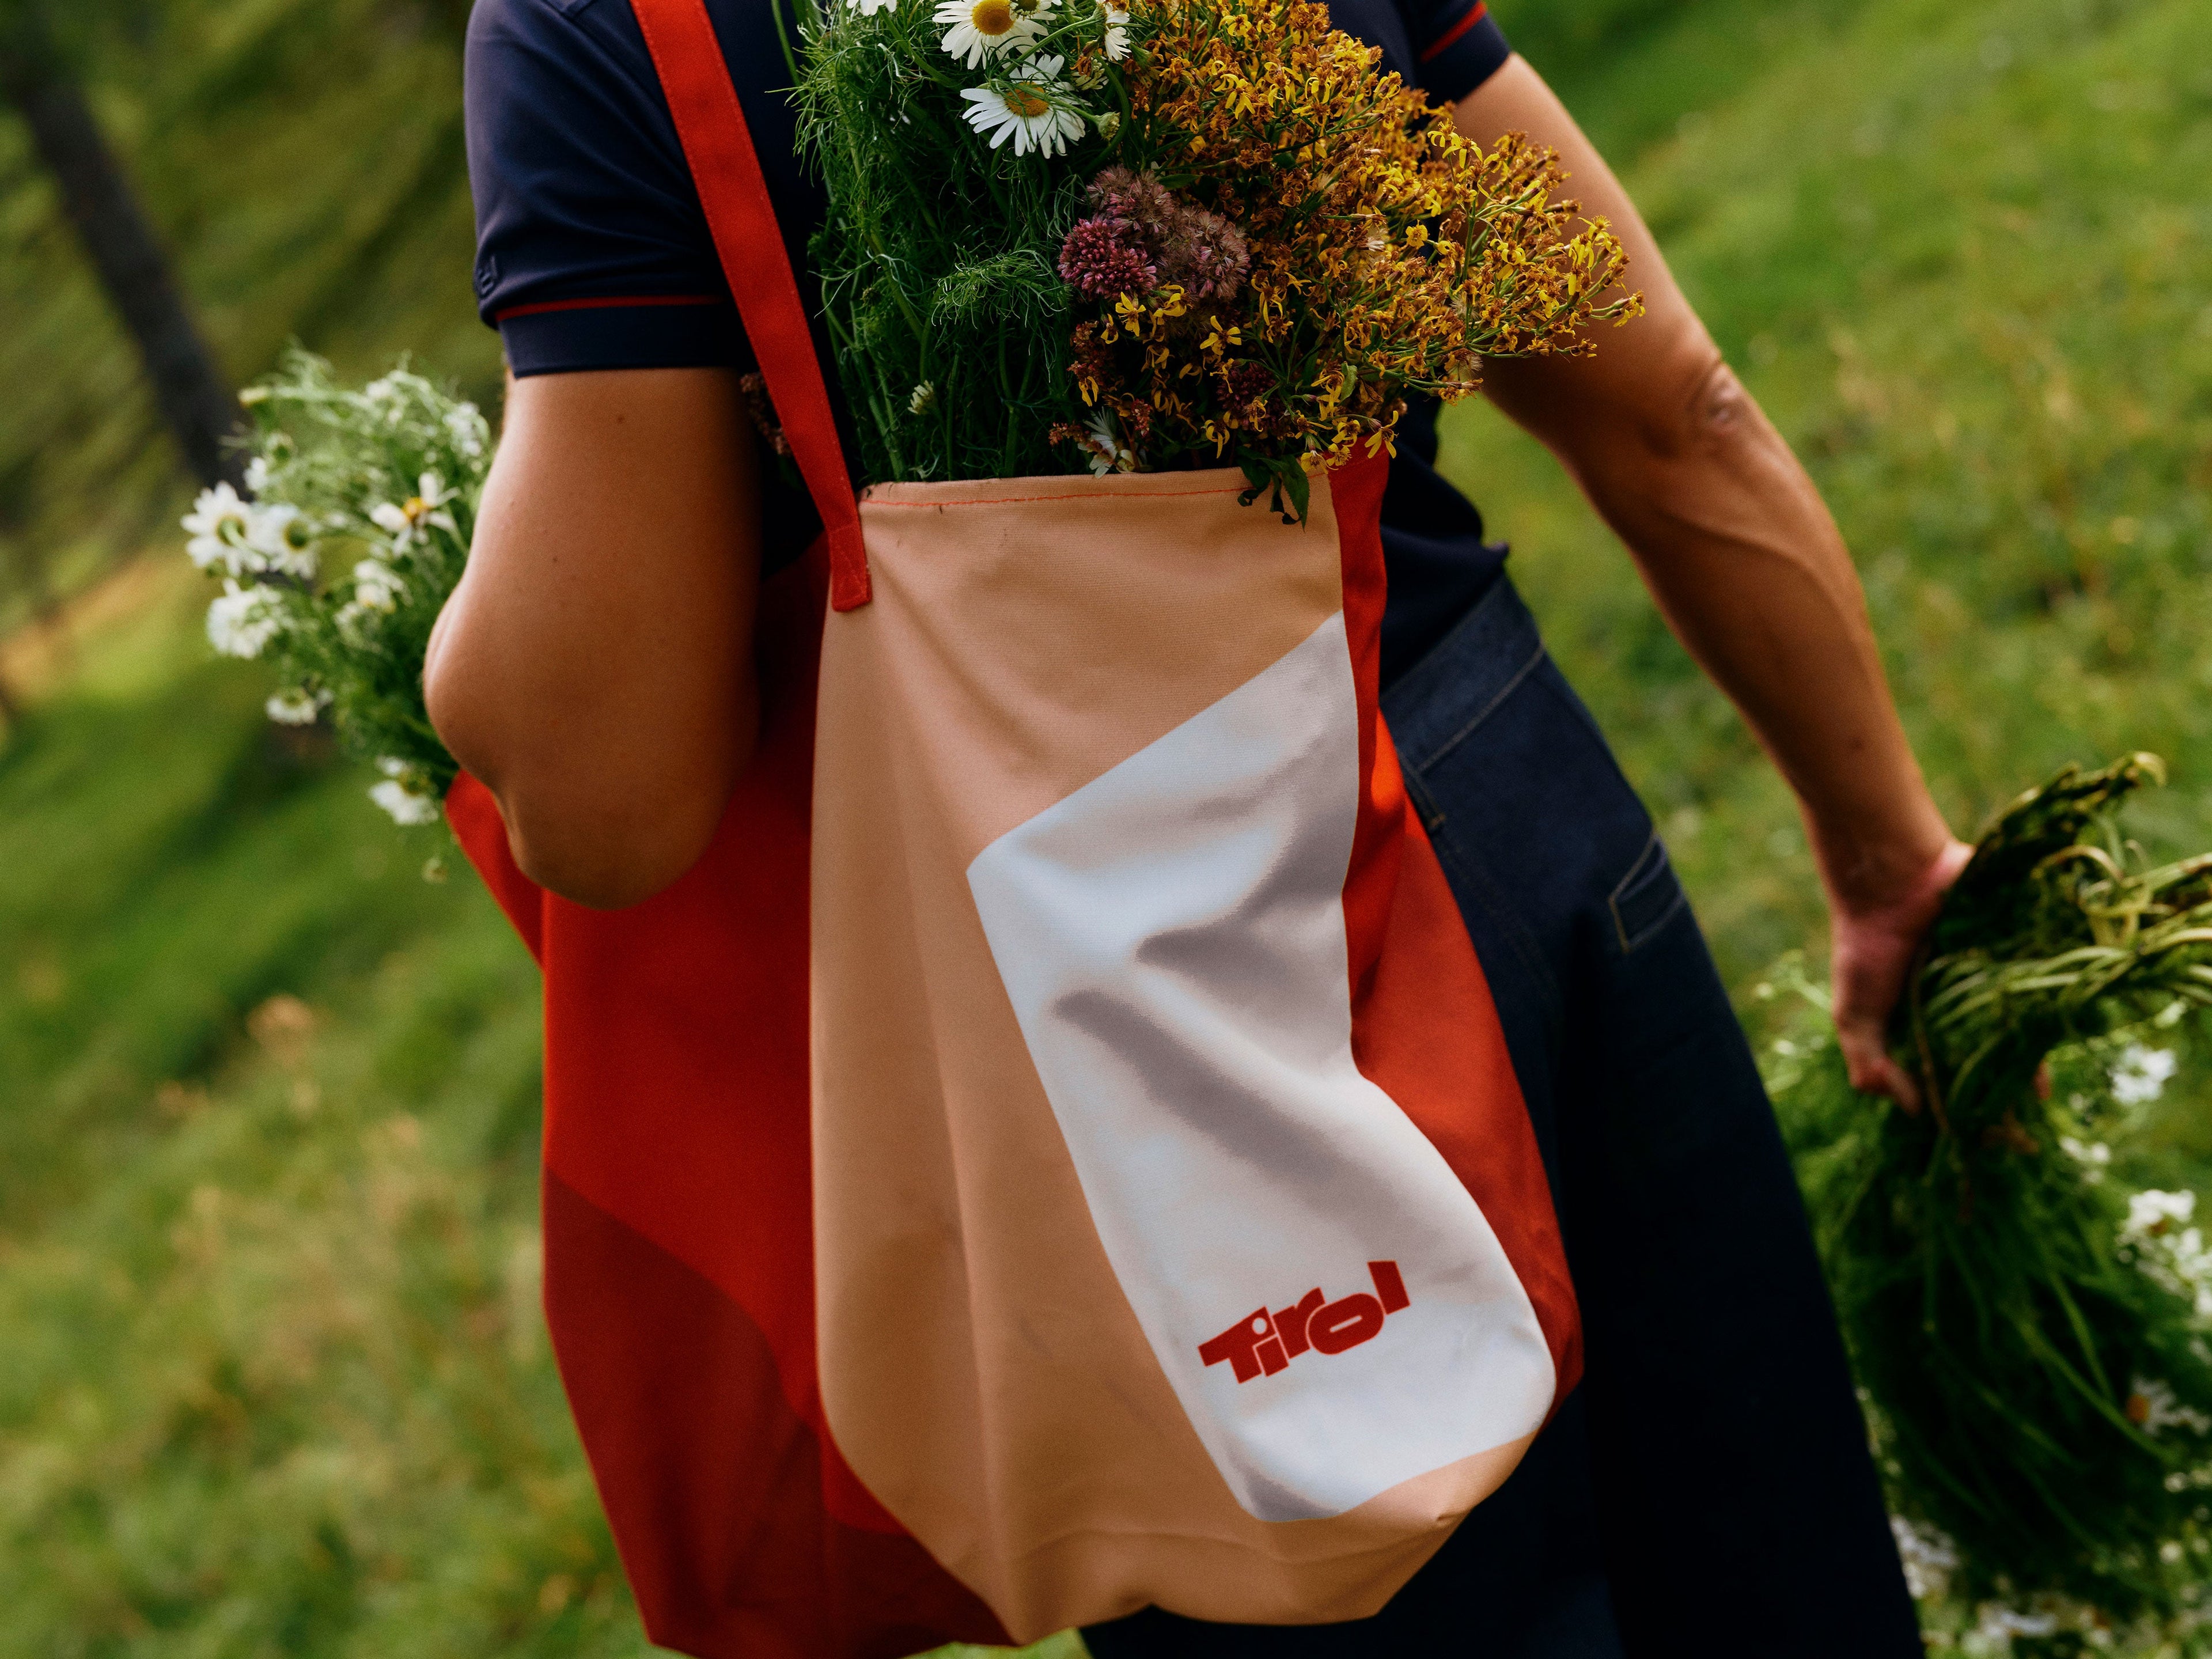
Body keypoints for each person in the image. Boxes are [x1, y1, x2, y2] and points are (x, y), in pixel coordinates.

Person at [429, 0, 1972, 1650]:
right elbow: (1670, 408)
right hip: (1516, 822)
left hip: (1135, 1022)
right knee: (1787, 1585)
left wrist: (463, 664)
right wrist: (1891, 861)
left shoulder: (601, 38)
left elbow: (609, 806)